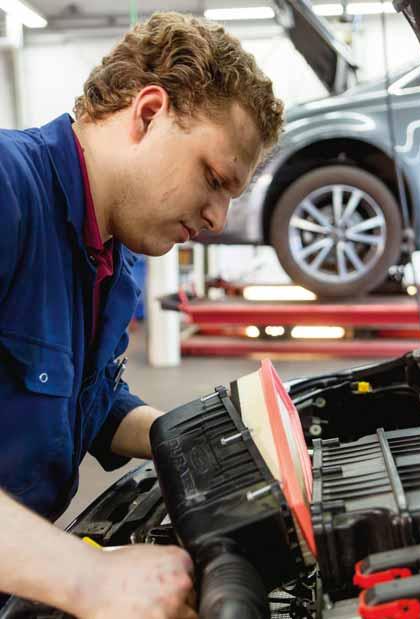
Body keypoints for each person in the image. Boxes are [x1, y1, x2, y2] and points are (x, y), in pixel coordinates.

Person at [0, 11, 284, 618]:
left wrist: (203, 441)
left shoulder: (114, 258)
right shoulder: (7, 189)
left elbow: (90, 403)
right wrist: (86, 579)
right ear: (148, 113)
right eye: (213, 179)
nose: (217, 219)